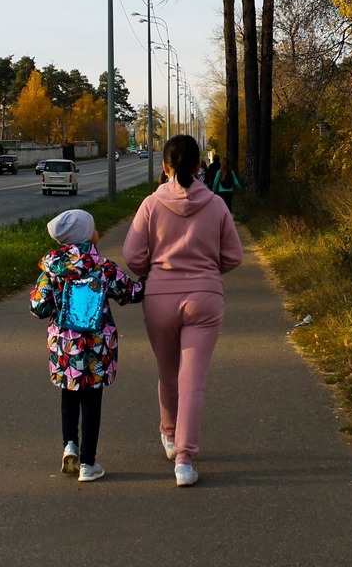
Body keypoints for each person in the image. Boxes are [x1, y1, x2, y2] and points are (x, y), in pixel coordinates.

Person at [123, 135, 243, 487]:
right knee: (194, 380)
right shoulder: (217, 206)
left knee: (168, 372)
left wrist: (153, 271)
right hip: (205, 298)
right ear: (197, 167)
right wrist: (207, 271)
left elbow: (132, 256)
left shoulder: (150, 204)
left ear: (165, 166)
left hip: (159, 297)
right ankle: (184, 461)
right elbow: (233, 257)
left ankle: (169, 434)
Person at [30, 209, 145, 483]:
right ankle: (88, 463)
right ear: (86, 235)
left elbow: (38, 307)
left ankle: (69, 444)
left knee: (68, 395)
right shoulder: (104, 268)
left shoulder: (52, 269)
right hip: (96, 347)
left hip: (64, 346)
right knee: (92, 400)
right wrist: (148, 280)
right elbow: (131, 293)